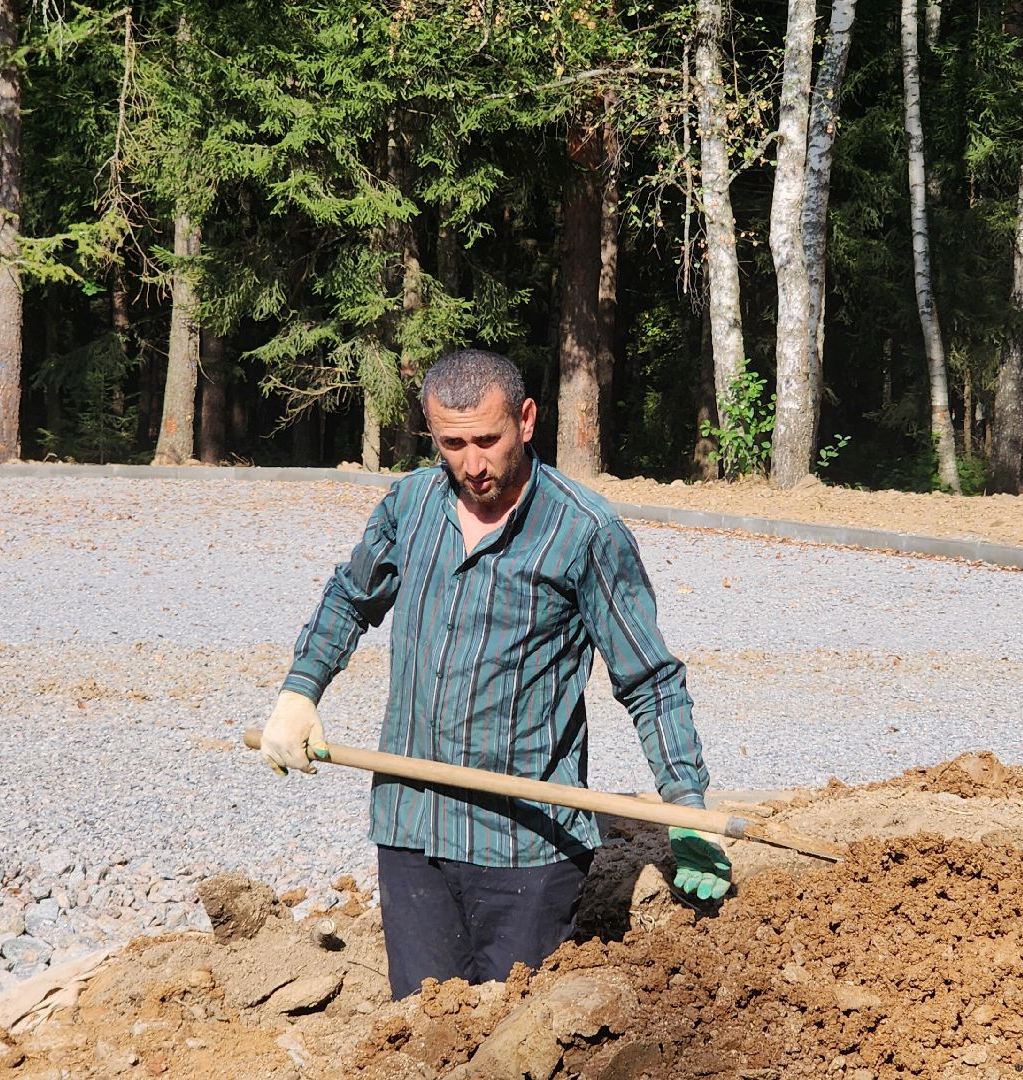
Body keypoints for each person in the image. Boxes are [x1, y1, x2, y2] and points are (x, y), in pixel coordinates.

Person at [258, 347, 732, 999]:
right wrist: (299, 692)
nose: (472, 463)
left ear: (527, 420)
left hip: (525, 850)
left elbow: (648, 678)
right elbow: (349, 597)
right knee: (422, 1033)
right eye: (453, 444)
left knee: (514, 1041)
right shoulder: (410, 506)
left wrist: (685, 800)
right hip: (411, 828)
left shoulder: (585, 530)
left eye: (488, 438)